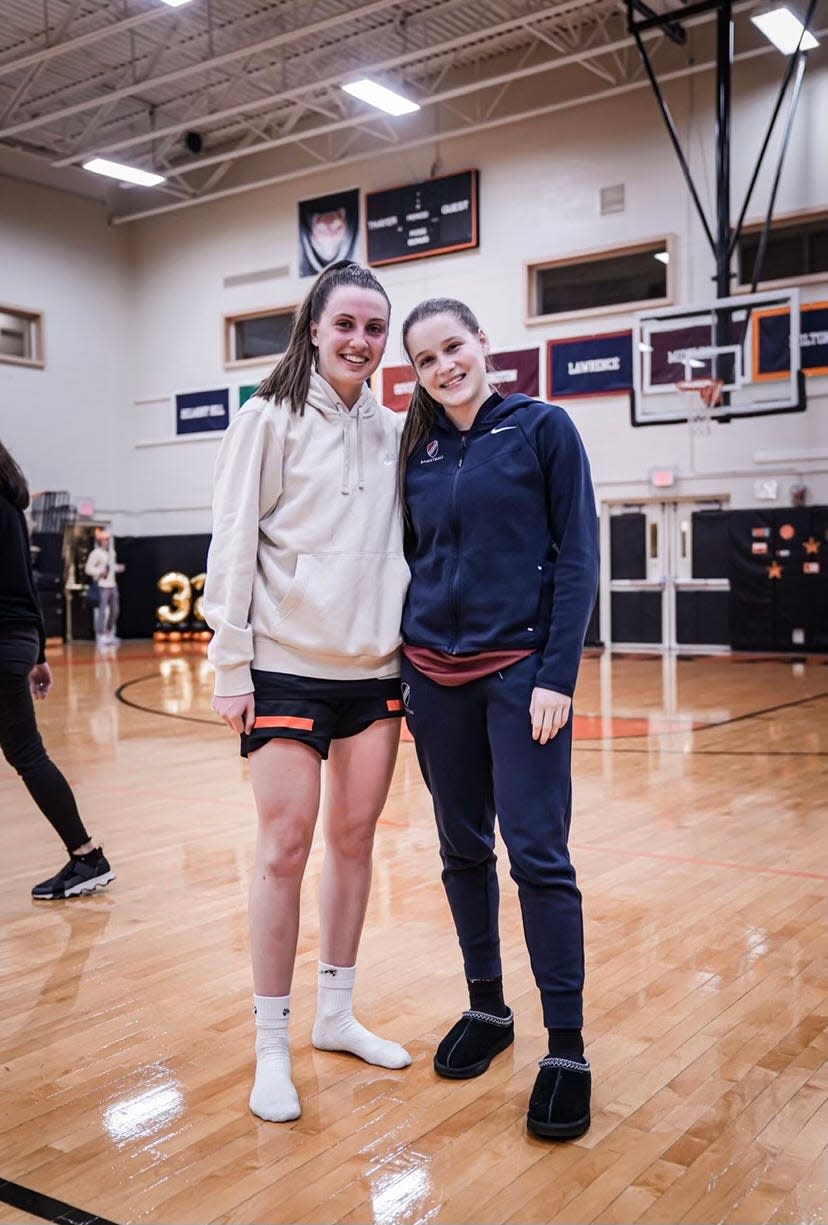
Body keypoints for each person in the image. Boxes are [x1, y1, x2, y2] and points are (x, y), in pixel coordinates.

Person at [203, 260, 412, 1124]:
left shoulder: (399, 430)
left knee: (355, 843)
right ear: (314, 329)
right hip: (286, 663)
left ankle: (334, 1015)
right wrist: (230, 663)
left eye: (373, 328)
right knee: (284, 850)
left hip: (374, 670)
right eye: (345, 325)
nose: (360, 341)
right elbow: (232, 537)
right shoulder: (267, 418)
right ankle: (271, 1045)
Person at [397, 299, 599, 1140]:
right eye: (426, 359)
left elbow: (580, 552)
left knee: (539, 856)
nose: (445, 366)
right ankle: (488, 1007)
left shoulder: (543, 427)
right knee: (461, 850)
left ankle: (566, 1046)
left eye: (455, 347)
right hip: (432, 678)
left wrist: (558, 674)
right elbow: (403, 558)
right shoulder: (418, 446)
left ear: (483, 343)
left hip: (521, 677)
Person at [0, 440, 115, 900]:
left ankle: (87, 857)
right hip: (17, 640)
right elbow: (25, 585)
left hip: (5, 640)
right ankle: (86, 857)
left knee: (27, 755)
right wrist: (39, 652)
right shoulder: (11, 507)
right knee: (27, 754)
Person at [84, 527, 123, 646]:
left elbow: (111, 567)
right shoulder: (95, 553)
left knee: (115, 610)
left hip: (113, 585)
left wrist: (117, 568)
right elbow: (88, 569)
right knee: (102, 611)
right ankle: (100, 635)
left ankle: (110, 633)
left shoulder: (112, 553)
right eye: (104, 539)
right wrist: (100, 571)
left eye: (107, 539)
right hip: (102, 585)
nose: (106, 541)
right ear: (100, 541)